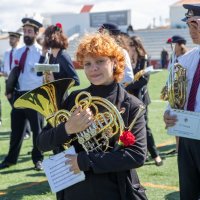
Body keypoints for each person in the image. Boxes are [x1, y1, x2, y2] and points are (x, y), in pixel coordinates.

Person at [37, 33, 148, 200]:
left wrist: (83, 161)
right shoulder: (74, 99)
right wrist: (68, 128)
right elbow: (42, 143)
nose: (93, 68)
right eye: (87, 64)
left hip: (116, 191)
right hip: (75, 191)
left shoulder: (131, 104)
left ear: (115, 62)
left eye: (100, 61)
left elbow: (137, 155)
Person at [163, 4, 200, 199]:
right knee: (188, 191)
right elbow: (175, 93)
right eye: (190, 26)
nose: (192, 31)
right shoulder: (186, 59)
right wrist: (169, 113)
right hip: (187, 135)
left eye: (195, 26)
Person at [0, 17, 44, 171]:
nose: (26, 34)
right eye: (25, 31)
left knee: (37, 131)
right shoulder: (18, 52)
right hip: (19, 95)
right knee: (16, 129)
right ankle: (11, 159)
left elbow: (45, 75)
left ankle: (38, 159)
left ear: (36, 33)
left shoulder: (42, 52)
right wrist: (9, 91)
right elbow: (14, 73)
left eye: (30, 32)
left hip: (35, 96)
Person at [126, 36, 163, 166]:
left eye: (131, 45)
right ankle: (139, 153)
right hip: (129, 99)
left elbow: (144, 81)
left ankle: (156, 155)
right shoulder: (128, 60)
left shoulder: (144, 59)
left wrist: (126, 86)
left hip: (141, 99)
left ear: (136, 46)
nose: (129, 47)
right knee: (129, 127)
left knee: (145, 127)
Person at [0, 31, 31, 139]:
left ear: (18, 39)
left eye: (12, 38)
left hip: (18, 82)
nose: (10, 40)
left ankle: (26, 131)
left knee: (19, 107)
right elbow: (6, 68)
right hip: (8, 82)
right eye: (10, 38)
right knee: (15, 107)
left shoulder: (21, 51)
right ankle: (24, 130)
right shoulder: (7, 52)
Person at [165, 35, 188, 155]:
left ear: (179, 44)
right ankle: (178, 148)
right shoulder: (173, 57)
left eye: (173, 44)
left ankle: (182, 148)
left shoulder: (187, 57)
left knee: (182, 121)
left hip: (183, 94)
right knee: (174, 121)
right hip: (173, 92)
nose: (171, 47)